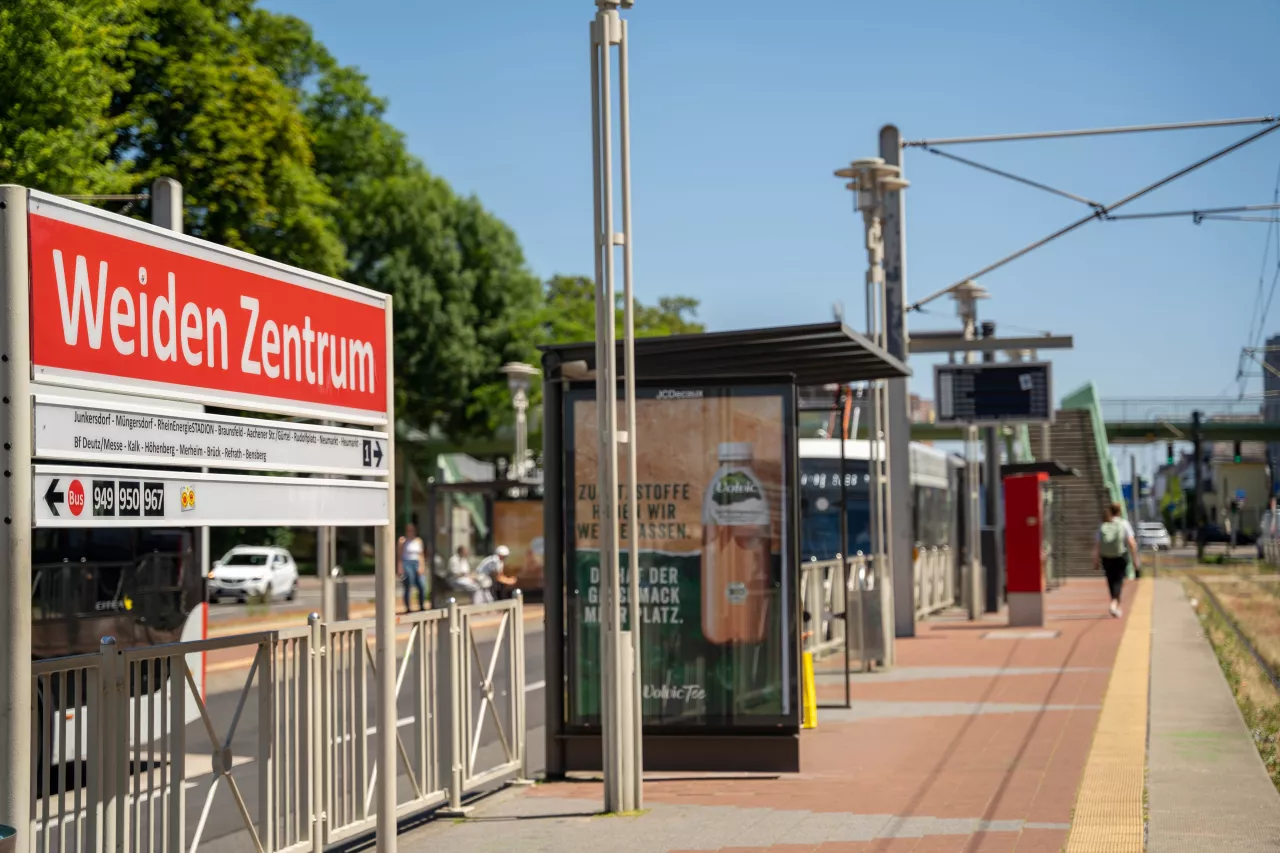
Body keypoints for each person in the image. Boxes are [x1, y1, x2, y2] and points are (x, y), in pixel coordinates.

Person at [1094, 502, 1138, 618]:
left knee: (1110, 580)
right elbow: (1132, 544)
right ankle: (1114, 603)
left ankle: (1116, 605)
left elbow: (1097, 545)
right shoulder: (1124, 524)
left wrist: (1096, 560)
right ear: (1119, 511)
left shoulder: (1103, 525)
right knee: (1118, 580)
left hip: (1106, 557)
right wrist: (1135, 560)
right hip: (1120, 556)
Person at [398, 523, 427, 612]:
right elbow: (399, 555)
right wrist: (400, 567)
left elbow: (421, 555)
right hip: (407, 562)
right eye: (409, 530)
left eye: (412, 530)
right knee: (408, 583)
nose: (411, 532)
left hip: (416, 562)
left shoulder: (418, 541)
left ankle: (421, 605)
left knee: (421, 585)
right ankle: (408, 607)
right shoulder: (402, 540)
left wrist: (422, 566)